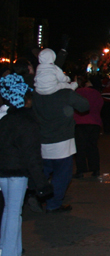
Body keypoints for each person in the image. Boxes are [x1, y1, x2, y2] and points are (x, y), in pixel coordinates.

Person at [0, 73, 52, 255]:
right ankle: (9, 251)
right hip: (17, 171)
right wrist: (41, 183)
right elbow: (32, 155)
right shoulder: (27, 122)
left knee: (9, 210)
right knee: (14, 212)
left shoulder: (5, 119)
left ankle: (9, 248)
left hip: (4, 169)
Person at [31, 70, 89, 213]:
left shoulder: (35, 95)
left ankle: (36, 194)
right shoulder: (64, 94)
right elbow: (84, 106)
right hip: (62, 142)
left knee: (43, 172)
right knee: (62, 175)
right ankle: (53, 203)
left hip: (41, 141)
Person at [73, 76, 104, 178]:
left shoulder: (79, 91)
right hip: (94, 123)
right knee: (92, 146)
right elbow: (100, 106)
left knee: (80, 147)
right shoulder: (97, 94)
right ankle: (95, 169)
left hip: (80, 122)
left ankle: (81, 170)